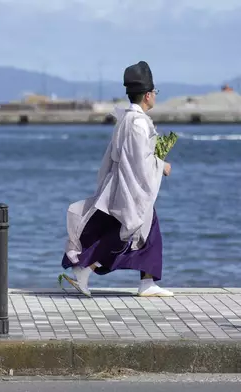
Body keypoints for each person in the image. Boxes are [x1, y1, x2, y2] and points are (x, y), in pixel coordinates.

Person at [59, 61, 174, 297]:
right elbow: (139, 162)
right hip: (129, 188)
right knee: (126, 234)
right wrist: (161, 165)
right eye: (155, 94)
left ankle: (145, 281)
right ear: (148, 95)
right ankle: (86, 268)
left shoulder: (126, 119)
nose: (155, 98)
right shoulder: (138, 123)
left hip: (121, 184)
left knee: (144, 232)